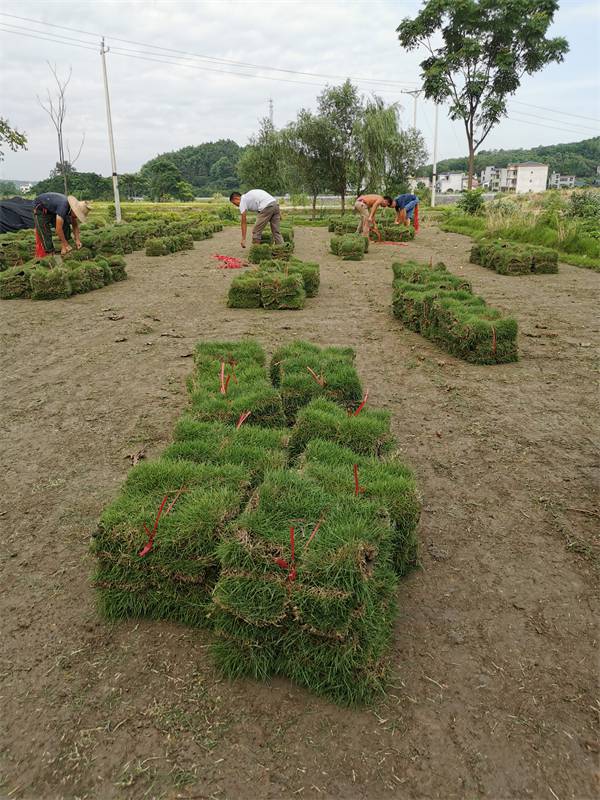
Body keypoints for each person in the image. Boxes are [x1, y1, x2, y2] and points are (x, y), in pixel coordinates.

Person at [33, 192, 91, 258]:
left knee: (66, 227)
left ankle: (64, 247)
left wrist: (77, 240)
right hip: (41, 208)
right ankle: (50, 253)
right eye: (78, 215)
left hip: (53, 208)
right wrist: (65, 244)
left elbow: (75, 225)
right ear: (74, 210)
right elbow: (58, 229)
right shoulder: (63, 207)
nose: (77, 217)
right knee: (45, 232)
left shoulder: (71, 208)